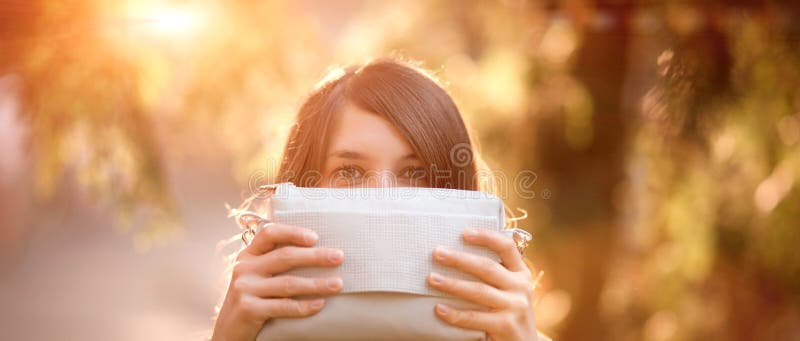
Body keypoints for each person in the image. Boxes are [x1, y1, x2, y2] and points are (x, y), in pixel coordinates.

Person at [211, 57, 541, 341]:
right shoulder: (249, 326)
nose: (383, 197)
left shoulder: (514, 334)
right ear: (299, 188)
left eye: (415, 173)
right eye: (350, 172)